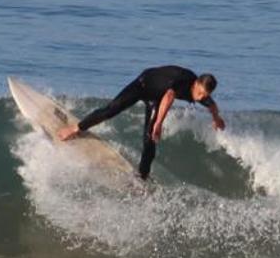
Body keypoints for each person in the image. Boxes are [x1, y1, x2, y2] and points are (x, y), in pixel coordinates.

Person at [59, 65, 224, 180]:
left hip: (155, 98)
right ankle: (76, 128)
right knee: (111, 110)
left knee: (150, 140)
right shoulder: (183, 81)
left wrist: (217, 119)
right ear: (195, 84)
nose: (201, 97)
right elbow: (168, 97)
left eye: (205, 95)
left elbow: (212, 105)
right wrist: (158, 124)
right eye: (200, 92)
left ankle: (142, 177)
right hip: (143, 85)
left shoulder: (201, 93)